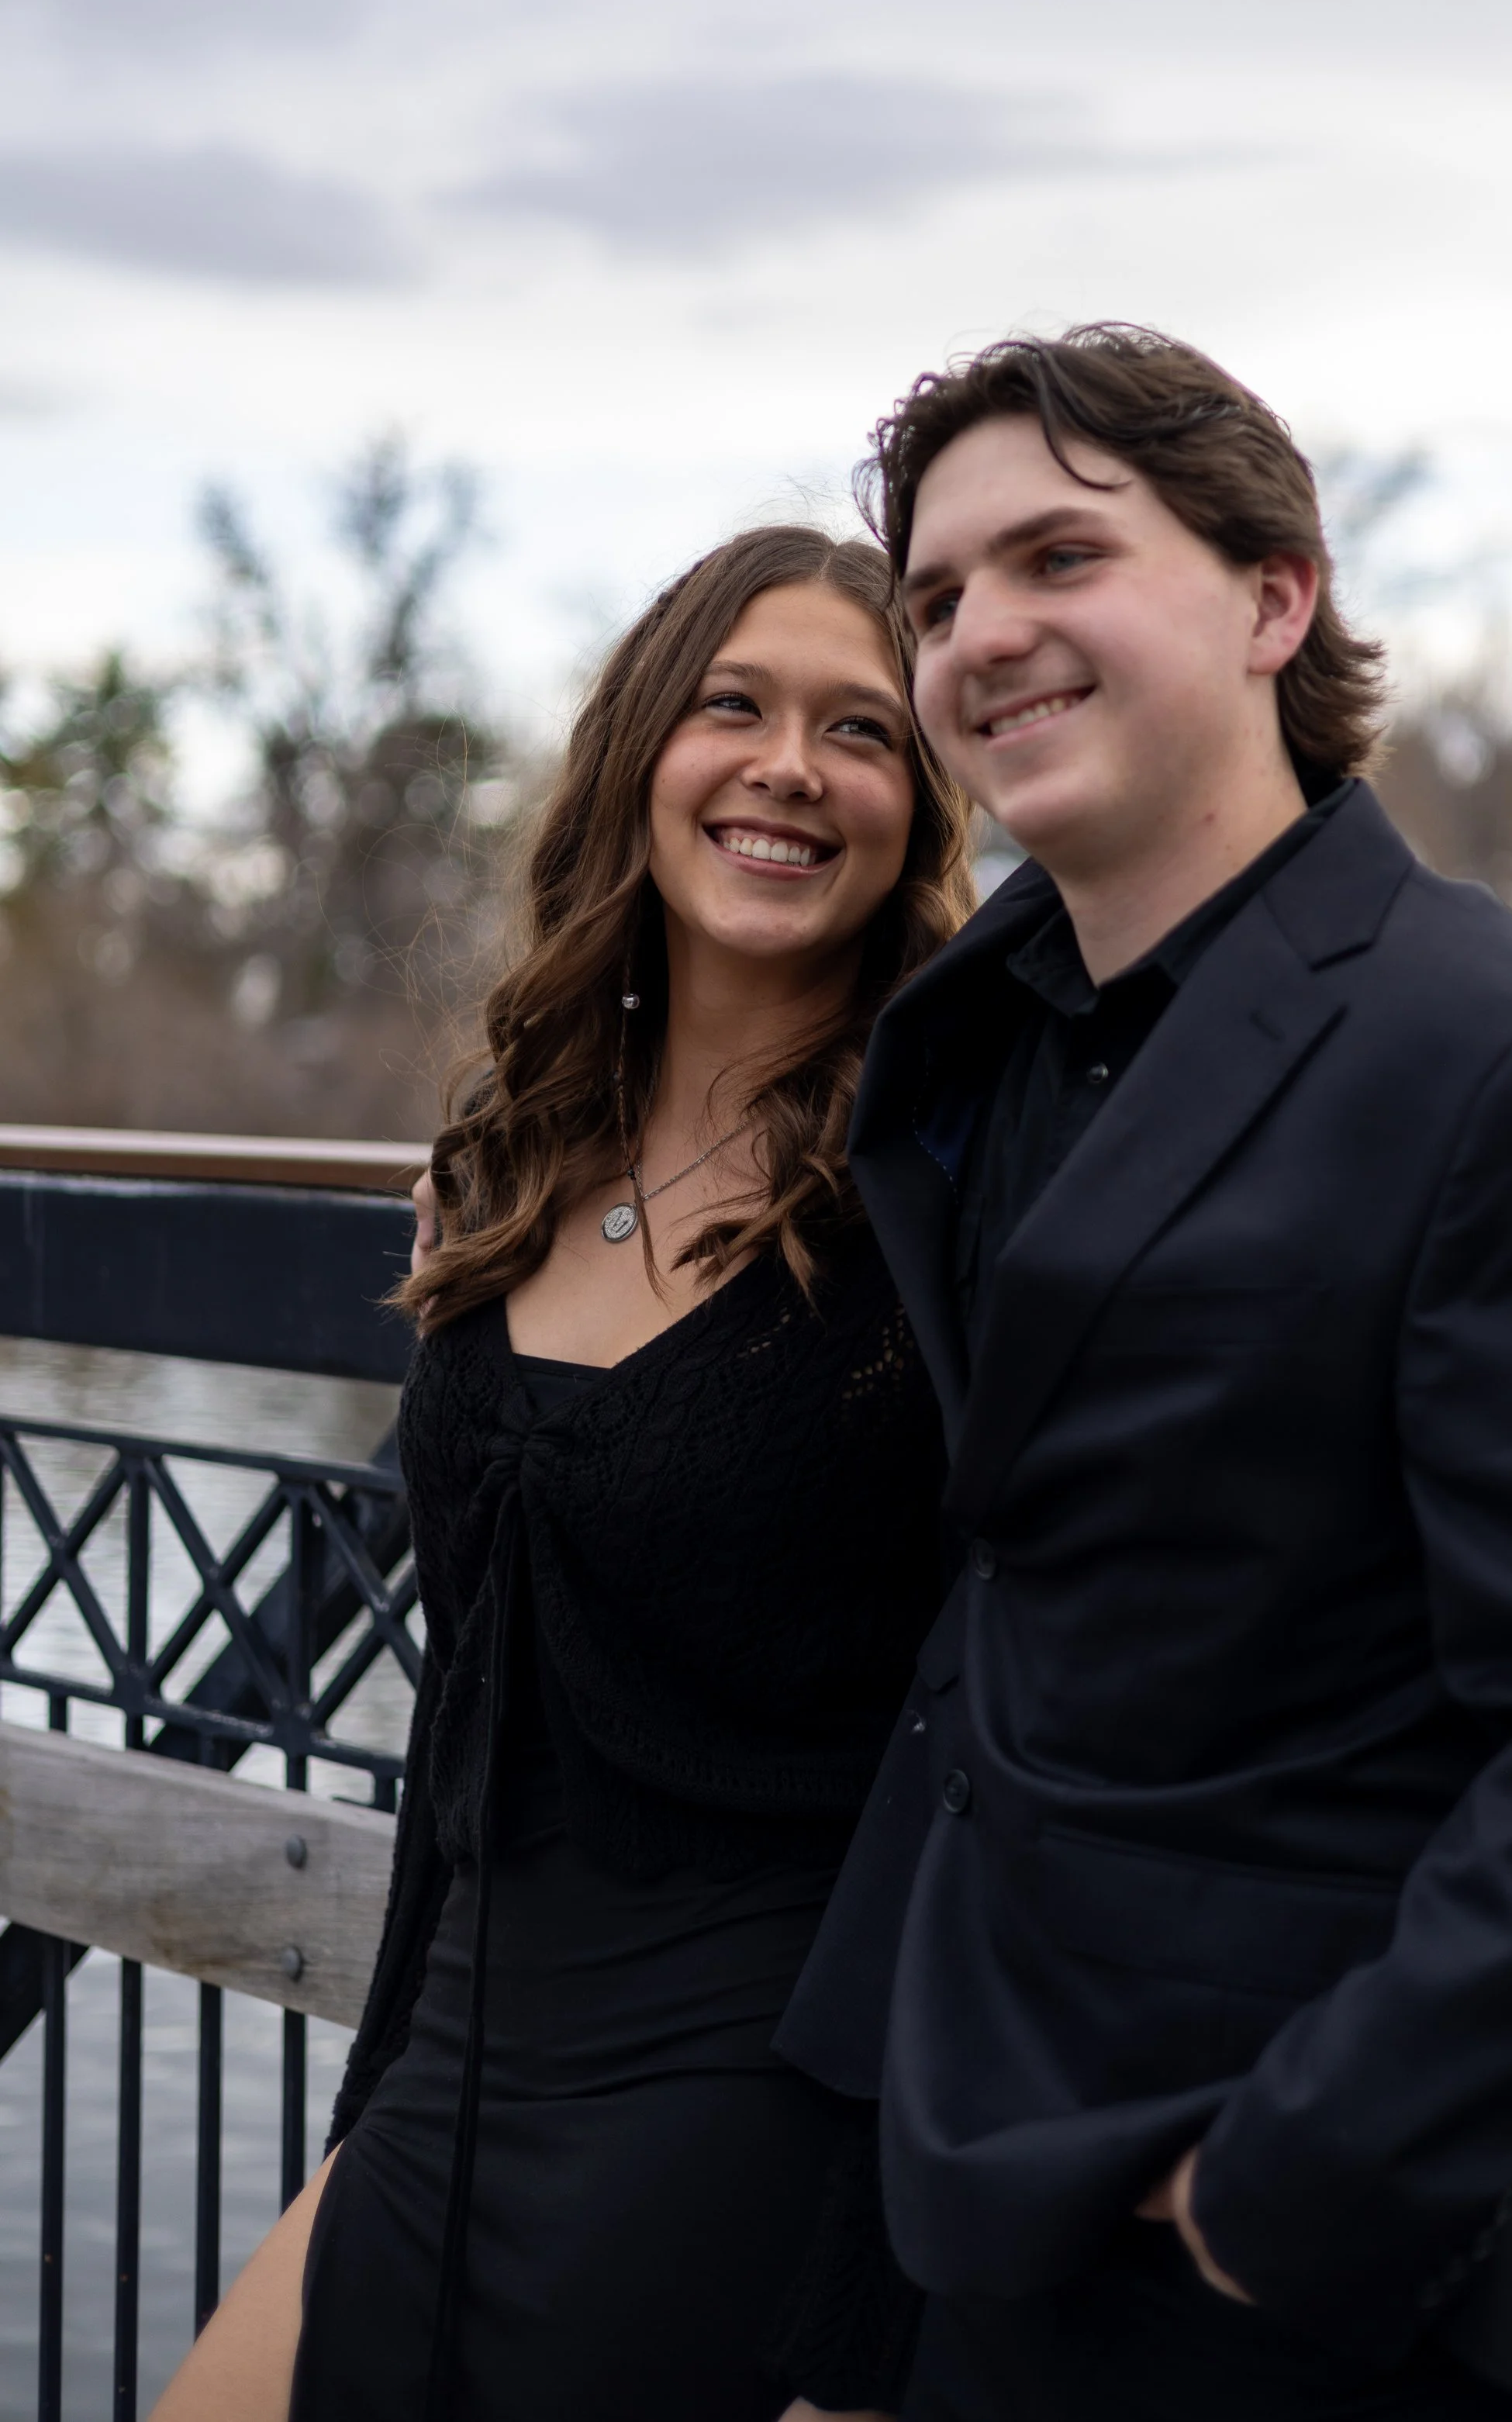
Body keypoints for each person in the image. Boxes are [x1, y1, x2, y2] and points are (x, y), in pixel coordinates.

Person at [776, 327, 1512, 2422]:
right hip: (976, 2184)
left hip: (1324, 2278)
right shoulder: (973, 1035)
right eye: (941, 595)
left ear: (1272, 595)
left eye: (1060, 555)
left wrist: (1284, 2186)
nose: (982, 636)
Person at [154, 523, 975, 2422]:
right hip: (450, 2061)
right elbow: (466, 1725)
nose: (788, 764)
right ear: (640, 756)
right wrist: (369, 2120)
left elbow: (976, 1777)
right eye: (733, 705)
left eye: (860, 730)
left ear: (911, 806)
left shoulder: (936, 1209)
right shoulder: (515, 1157)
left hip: (736, 2111)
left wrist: (862, 2327)